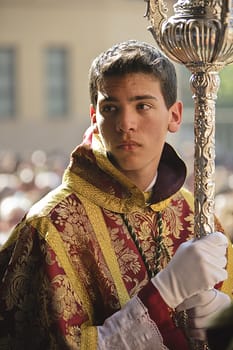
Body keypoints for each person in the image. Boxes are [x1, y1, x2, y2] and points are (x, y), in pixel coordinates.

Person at [0, 40, 232, 350]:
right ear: (94, 116)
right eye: (111, 108)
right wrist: (163, 295)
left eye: (143, 105)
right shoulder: (50, 226)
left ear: (174, 115)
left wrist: (224, 323)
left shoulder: (196, 215)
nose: (126, 124)